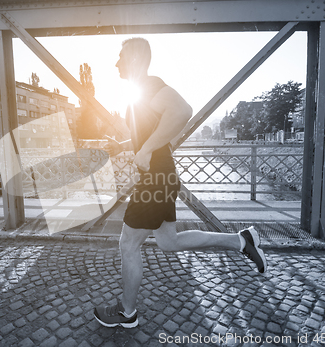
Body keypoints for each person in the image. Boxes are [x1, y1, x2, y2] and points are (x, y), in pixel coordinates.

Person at [94, 38, 267, 329]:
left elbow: (183, 111)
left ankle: (127, 313)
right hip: (161, 178)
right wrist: (125, 146)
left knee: (128, 244)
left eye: (121, 56)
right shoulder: (142, 92)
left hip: (155, 181)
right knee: (168, 241)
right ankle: (242, 241)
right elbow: (149, 134)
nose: (116, 63)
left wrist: (146, 150)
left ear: (135, 60)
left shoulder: (149, 86)